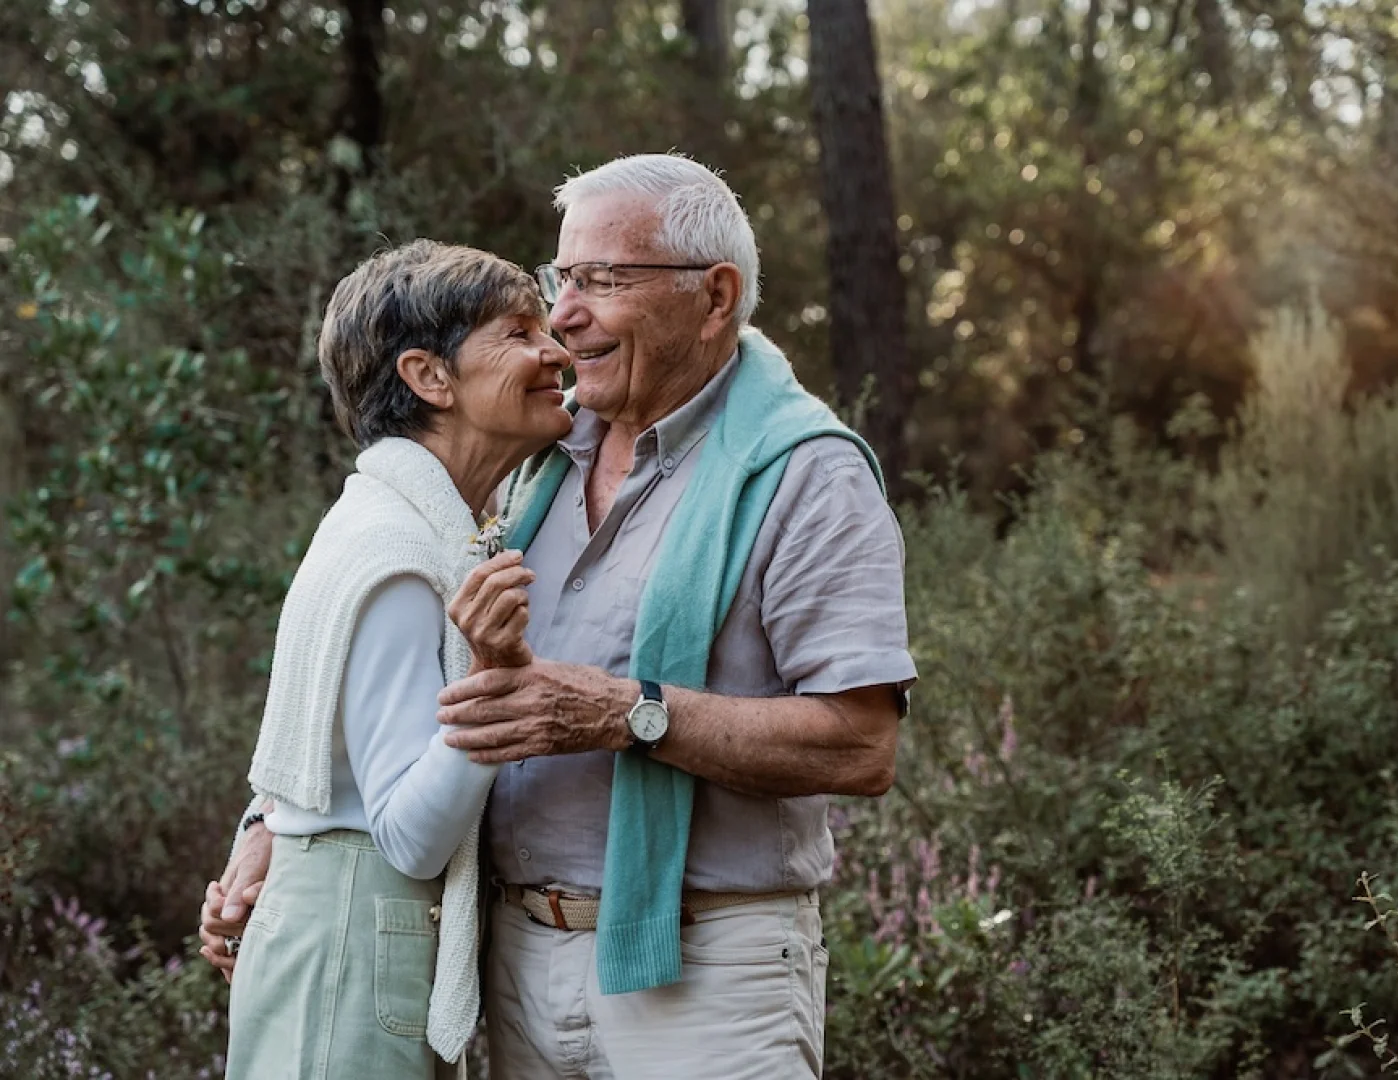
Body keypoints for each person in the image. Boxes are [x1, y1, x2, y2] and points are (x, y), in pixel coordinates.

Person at [435, 154, 916, 1079]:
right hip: (515, 960)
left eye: (602, 280)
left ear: (714, 297)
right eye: (561, 278)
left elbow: (862, 747)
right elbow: (374, 622)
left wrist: (627, 714)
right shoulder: (533, 449)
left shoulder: (806, 473)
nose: (563, 314)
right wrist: (268, 829)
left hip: (709, 977)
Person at [206, 239, 573, 1079]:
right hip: (354, 943)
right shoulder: (401, 555)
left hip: (337, 934)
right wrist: (495, 678)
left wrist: (260, 828)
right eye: (519, 333)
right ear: (429, 376)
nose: (554, 351)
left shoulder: (390, 522)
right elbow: (407, 838)